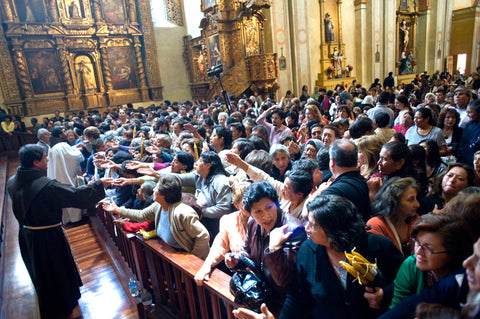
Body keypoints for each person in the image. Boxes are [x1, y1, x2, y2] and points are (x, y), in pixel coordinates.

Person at [233, 195, 404, 319]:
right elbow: (297, 297)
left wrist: (385, 294)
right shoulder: (309, 250)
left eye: (312, 225)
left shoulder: (378, 246)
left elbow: (408, 283)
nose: (306, 228)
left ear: (333, 230)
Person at [7, 144, 112, 319]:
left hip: (27, 234)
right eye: (44, 157)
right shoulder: (45, 186)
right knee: (56, 272)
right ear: (36, 162)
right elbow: (76, 195)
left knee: (42, 273)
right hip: (48, 237)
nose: (47, 159)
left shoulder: (12, 181)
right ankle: (64, 304)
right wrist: (99, 184)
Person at [226, 181, 306, 316]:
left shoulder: (293, 230)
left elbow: (284, 282)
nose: (265, 216)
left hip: (284, 306)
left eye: (269, 207)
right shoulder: (253, 223)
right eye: (257, 211)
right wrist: (236, 259)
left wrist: (274, 248)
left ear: (277, 203)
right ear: (250, 213)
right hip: (262, 296)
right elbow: (248, 252)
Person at [102, 174, 210, 259]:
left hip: (185, 259)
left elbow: (203, 236)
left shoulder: (182, 212)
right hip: (170, 255)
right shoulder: (158, 206)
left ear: (164, 195)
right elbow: (142, 215)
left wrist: (193, 259)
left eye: (157, 188)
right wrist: (118, 210)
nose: (154, 190)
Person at [378, 237, 480, 319]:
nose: (467, 263)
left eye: (428, 248)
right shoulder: (459, 280)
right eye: (417, 243)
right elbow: (408, 306)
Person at [390, 213, 472, 307]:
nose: (418, 252)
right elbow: (397, 308)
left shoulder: (466, 277)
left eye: (427, 248)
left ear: (451, 252)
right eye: (416, 243)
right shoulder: (411, 264)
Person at [194, 181, 251, 285]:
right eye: (246, 202)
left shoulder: (264, 220)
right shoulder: (229, 220)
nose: (252, 206)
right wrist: (207, 266)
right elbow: (220, 246)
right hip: (243, 278)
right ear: (236, 204)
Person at [171, 151, 232, 239]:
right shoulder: (199, 176)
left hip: (213, 222)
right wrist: (156, 174)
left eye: (200, 161)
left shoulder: (220, 181)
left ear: (208, 165)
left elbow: (224, 209)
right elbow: (179, 178)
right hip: (200, 216)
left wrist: (200, 211)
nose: (196, 164)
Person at [368, 177, 420, 256]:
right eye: (411, 200)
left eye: (416, 199)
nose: (417, 204)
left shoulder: (415, 220)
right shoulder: (377, 225)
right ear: (394, 202)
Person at [47, 142, 85, 224]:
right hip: (68, 178)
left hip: (57, 176)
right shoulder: (63, 149)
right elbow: (76, 157)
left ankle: (67, 218)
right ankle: (76, 218)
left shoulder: (54, 150)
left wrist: (74, 147)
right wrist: (78, 150)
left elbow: (68, 153)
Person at [458, 99, 480, 166]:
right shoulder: (469, 125)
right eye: (467, 112)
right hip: (465, 159)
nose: (467, 115)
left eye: (470, 112)